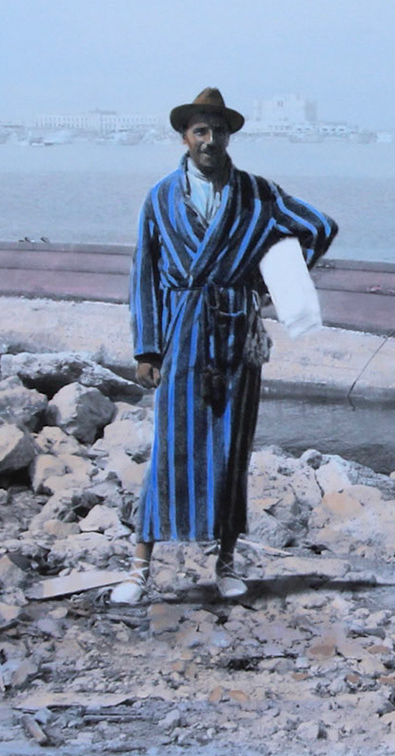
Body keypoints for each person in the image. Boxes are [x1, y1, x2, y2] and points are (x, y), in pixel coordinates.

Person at [116, 87, 337, 603]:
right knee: (171, 447)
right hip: (181, 335)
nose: (210, 140)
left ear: (230, 135)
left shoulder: (257, 194)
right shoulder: (160, 197)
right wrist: (146, 350)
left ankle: (226, 562)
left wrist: (270, 278)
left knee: (232, 449)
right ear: (185, 137)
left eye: (218, 131)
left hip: (236, 335)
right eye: (200, 131)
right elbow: (144, 274)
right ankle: (138, 568)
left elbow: (318, 228)